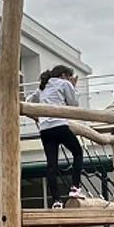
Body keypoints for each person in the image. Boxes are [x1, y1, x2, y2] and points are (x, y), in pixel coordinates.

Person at [25, 65, 86, 208]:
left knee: (52, 164)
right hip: (59, 125)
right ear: (64, 75)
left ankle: (56, 200)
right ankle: (75, 187)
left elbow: (29, 101)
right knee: (77, 152)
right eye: (69, 77)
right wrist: (73, 87)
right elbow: (74, 103)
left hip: (45, 129)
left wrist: (38, 117)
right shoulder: (64, 83)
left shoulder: (42, 87)